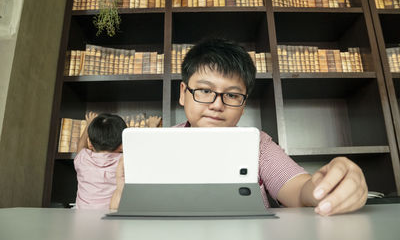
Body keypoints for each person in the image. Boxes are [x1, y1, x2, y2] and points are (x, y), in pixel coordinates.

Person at [110, 39, 368, 215]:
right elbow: (120, 216)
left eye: (232, 95)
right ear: (183, 93)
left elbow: (299, 192)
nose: (216, 105)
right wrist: (124, 190)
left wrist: (325, 186)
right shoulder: (155, 147)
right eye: (204, 90)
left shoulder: (257, 145)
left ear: (243, 105)